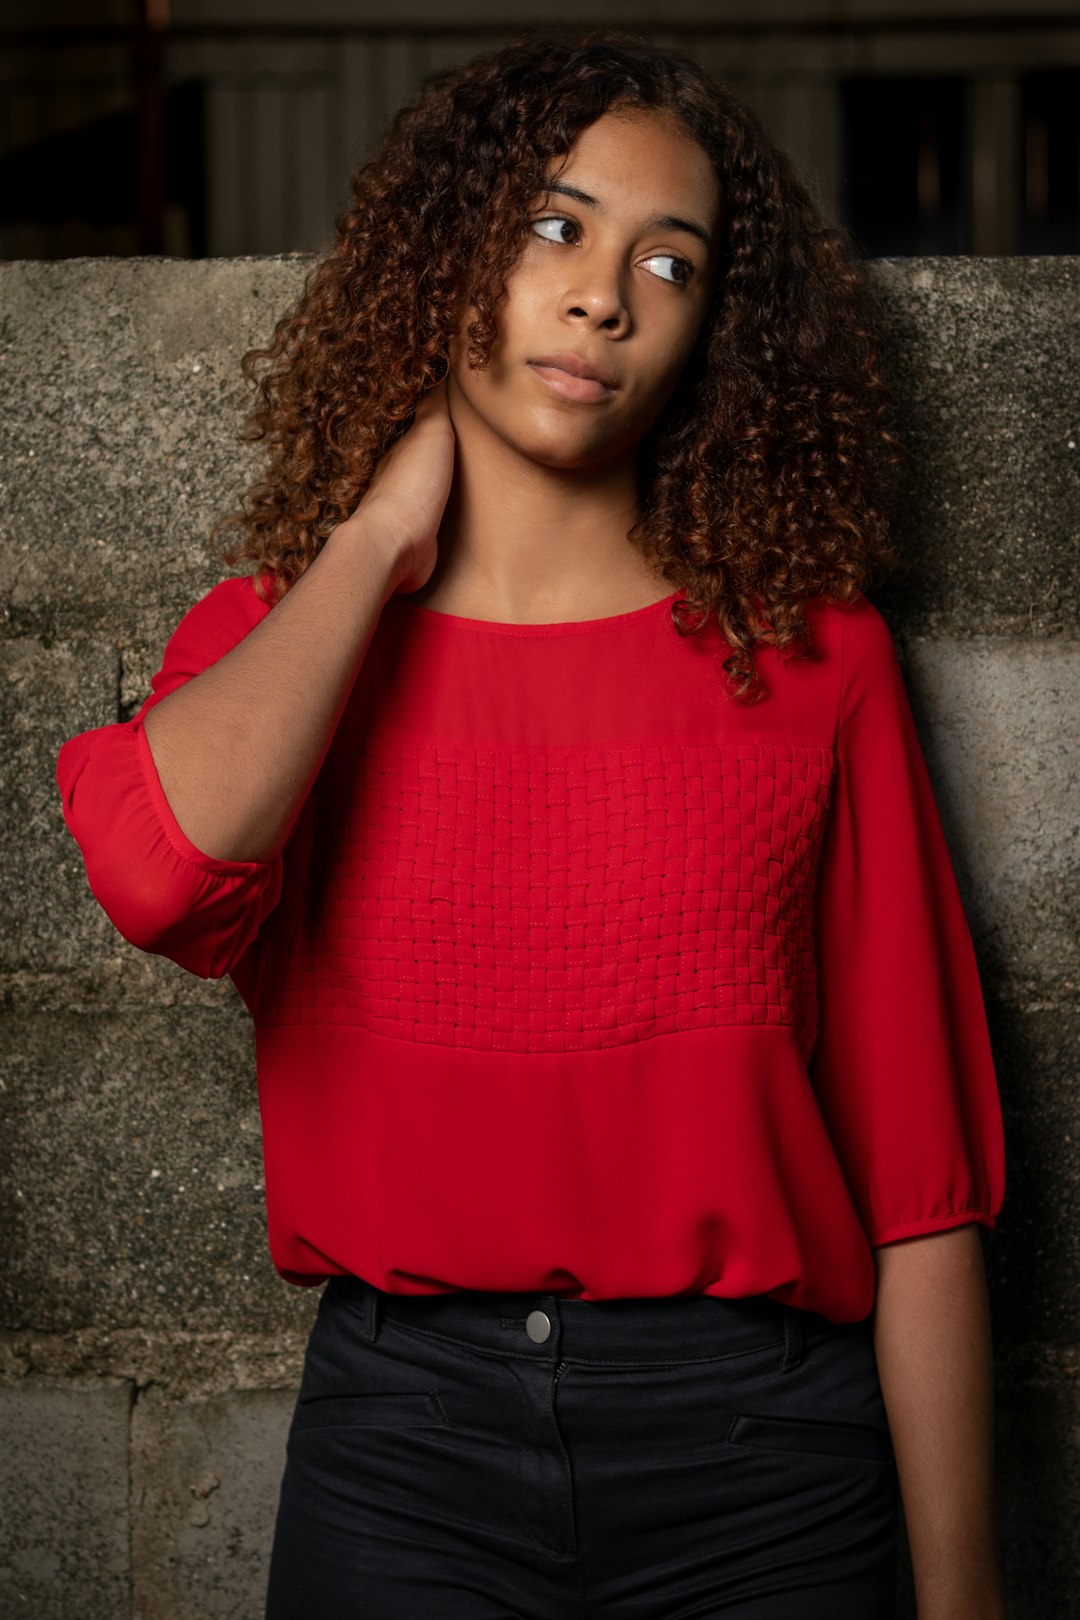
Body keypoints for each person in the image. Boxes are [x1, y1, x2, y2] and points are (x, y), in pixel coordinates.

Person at [56, 27, 1007, 1620]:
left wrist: (967, 1598)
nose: (602, 297)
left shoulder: (813, 659)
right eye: (555, 227)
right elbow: (160, 875)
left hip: (764, 1458)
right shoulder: (281, 645)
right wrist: (372, 540)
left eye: (671, 263)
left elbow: (923, 1191)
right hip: (403, 1449)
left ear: (714, 331)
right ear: (449, 257)